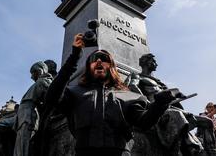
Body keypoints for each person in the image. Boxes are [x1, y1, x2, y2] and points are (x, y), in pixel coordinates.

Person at [44, 34, 180, 156]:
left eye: (103, 59)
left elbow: (144, 123)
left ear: (111, 67)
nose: (98, 61)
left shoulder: (130, 96)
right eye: (93, 60)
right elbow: (51, 98)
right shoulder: (74, 92)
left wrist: (160, 103)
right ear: (89, 68)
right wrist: (74, 58)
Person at [128, 53, 216, 156]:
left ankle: (212, 153)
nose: (156, 64)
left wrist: (179, 100)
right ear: (145, 62)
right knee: (179, 118)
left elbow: (173, 98)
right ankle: (193, 148)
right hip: (156, 109)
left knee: (208, 122)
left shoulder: (159, 82)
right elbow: (132, 87)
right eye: (153, 61)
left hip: (171, 107)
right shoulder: (137, 76)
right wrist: (146, 104)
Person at [13, 61, 53, 156]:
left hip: (28, 116)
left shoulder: (43, 81)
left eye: (33, 73)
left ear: (40, 71)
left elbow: (52, 96)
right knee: (20, 148)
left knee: (24, 147)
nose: (31, 77)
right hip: (24, 117)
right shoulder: (38, 83)